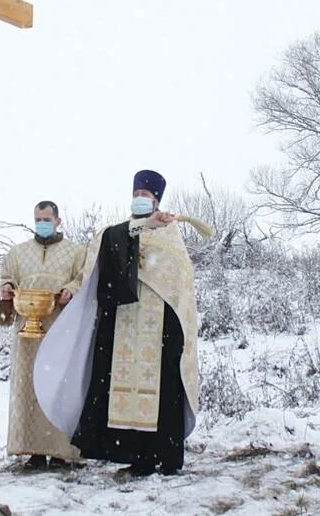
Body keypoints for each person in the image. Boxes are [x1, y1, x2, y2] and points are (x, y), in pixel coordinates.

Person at [33, 170, 202, 477]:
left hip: (159, 326)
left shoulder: (170, 233)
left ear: (156, 200)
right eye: (136, 194)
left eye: (145, 195)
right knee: (119, 388)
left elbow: (179, 277)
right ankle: (133, 454)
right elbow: (105, 244)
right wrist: (143, 227)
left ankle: (161, 456)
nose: (139, 199)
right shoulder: (121, 230)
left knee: (161, 390)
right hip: (124, 320)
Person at [0, 200, 86, 470]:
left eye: (47, 219)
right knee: (30, 387)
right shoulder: (17, 253)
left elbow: (84, 278)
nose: (42, 224)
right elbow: (5, 277)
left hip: (61, 329)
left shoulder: (76, 252)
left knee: (60, 387)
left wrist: (71, 290)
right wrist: (6, 289)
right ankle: (33, 451)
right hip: (27, 334)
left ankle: (61, 452)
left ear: (58, 221)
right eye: (38, 220)